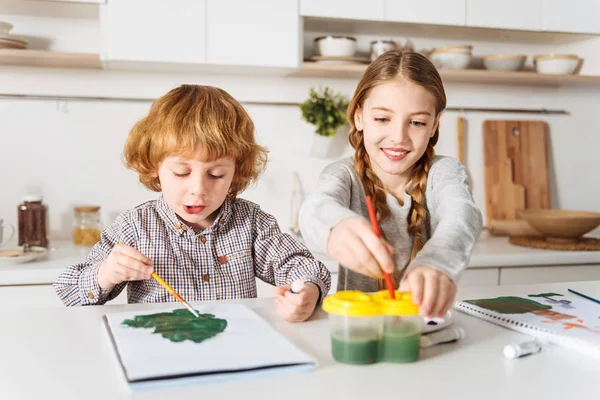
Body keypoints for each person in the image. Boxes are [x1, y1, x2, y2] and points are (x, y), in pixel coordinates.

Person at [54, 84, 331, 322]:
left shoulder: (252, 222)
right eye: (182, 173)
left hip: (232, 352)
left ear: (236, 172)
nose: (198, 190)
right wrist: (105, 274)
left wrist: (306, 290)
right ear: (154, 167)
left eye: (216, 174)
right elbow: (68, 291)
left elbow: (303, 265)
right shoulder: (135, 227)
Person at [299, 50, 482, 318]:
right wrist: (336, 227)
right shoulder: (343, 175)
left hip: (423, 328)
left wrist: (436, 263)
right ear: (359, 116)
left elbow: (462, 215)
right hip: (358, 329)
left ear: (434, 126)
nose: (398, 137)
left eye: (417, 122)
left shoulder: (443, 172)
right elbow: (315, 209)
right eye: (383, 119)